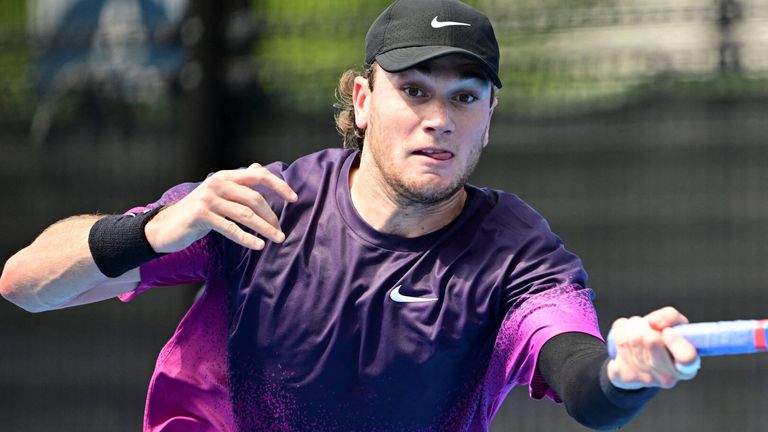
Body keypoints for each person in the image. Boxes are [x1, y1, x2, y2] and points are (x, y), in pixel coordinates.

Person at [0, 1, 700, 431]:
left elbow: (580, 375)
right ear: (363, 100)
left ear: (489, 118)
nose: (437, 120)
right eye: (414, 90)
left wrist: (625, 372)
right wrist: (153, 230)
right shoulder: (261, 206)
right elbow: (25, 284)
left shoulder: (518, 255)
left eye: (463, 97)